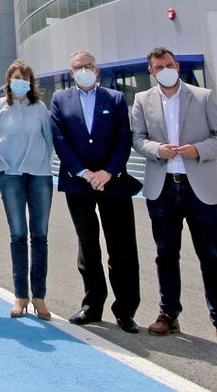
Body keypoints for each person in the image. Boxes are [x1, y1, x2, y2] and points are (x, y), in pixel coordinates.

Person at [130, 47, 217, 352]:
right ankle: (169, 313)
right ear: (151, 71)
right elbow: (137, 139)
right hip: (163, 187)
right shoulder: (142, 100)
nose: (165, 69)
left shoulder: (203, 96)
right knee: (165, 254)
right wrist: (157, 150)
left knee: (211, 256)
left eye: (169, 64)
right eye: (158, 67)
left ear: (176, 66)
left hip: (200, 188)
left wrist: (198, 149)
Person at [49, 50, 141, 334]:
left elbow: (123, 139)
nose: (83, 70)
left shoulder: (114, 99)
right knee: (88, 246)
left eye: (88, 66)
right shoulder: (59, 99)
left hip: (112, 182)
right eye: (78, 67)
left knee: (121, 248)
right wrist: (85, 173)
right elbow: (60, 140)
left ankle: (125, 311)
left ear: (97, 71)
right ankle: (92, 305)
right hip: (78, 183)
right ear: (71, 71)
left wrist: (107, 172)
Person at [0, 59, 56, 320]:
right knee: (17, 235)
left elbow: (49, 141)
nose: (20, 81)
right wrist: (5, 164)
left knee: (40, 236)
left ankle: (39, 297)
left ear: (31, 82)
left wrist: (38, 163)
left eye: (24, 77)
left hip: (39, 176)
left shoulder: (40, 108)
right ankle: (20, 295)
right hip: (10, 176)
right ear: (8, 81)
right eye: (15, 77)